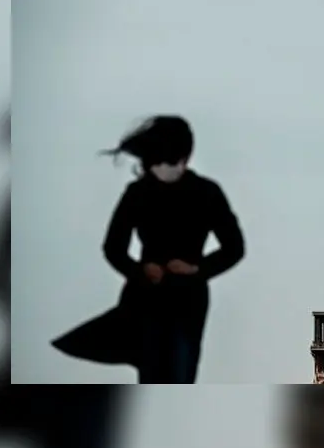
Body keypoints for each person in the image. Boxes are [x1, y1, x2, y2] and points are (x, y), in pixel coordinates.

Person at [53, 115, 245, 384]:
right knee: (152, 374)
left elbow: (235, 248)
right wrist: (140, 270)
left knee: (180, 374)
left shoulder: (207, 193)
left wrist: (197, 269)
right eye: (159, 161)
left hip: (187, 300)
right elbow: (113, 248)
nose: (166, 168)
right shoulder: (137, 193)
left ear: (186, 158)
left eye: (172, 161)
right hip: (145, 298)